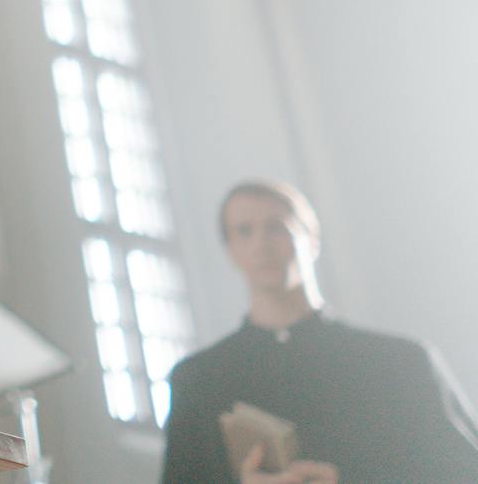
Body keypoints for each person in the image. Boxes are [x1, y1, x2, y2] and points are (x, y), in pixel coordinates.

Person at [160, 179, 478, 483]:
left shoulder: (400, 363)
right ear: (230, 251)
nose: (261, 244)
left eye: (276, 228)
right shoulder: (199, 382)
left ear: (312, 239)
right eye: (244, 231)